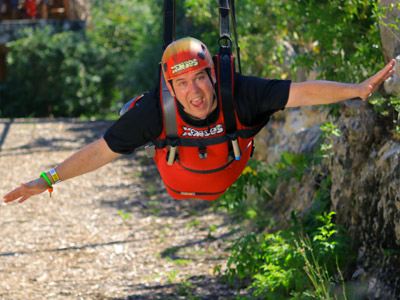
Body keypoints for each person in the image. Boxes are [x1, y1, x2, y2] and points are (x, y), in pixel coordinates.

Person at [2, 37, 396, 204]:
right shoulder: (156, 109)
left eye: (200, 78)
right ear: (170, 88)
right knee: (132, 118)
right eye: (182, 83)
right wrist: (46, 180)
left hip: (229, 167)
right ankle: (135, 113)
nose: (194, 91)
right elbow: (101, 151)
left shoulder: (238, 91)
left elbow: (303, 92)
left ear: (213, 74)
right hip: (177, 179)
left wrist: (357, 88)